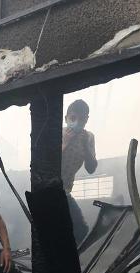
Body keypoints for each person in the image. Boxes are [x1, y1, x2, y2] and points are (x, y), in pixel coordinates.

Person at [61, 99, 97, 243]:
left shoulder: (88, 137)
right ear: (66, 118)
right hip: (50, 190)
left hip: (65, 191)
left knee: (81, 230)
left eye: (81, 119)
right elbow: (47, 163)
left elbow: (91, 169)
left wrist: (86, 146)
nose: (76, 122)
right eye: (73, 118)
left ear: (86, 120)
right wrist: (65, 142)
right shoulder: (58, 133)